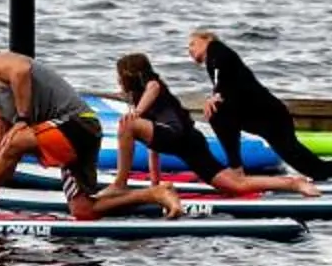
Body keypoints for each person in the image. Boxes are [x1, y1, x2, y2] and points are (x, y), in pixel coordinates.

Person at [0, 37, 182, 223]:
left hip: (78, 123)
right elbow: (1, 157)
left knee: (16, 141)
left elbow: (22, 70)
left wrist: (22, 119)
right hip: (69, 138)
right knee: (83, 210)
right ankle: (156, 193)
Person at [186, 30, 332, 182]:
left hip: (271, 116)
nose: (190, 50)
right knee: (218, 114)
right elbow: (224, 79)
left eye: (192, 44)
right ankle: (237, 169)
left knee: (317, 171)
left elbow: (221, 70)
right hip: (256, 116)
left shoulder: (217, 50)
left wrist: (215, 94)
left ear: (206, 39)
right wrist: (217, 94)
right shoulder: (215, 63)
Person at [112, 52, 320, 197]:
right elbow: (153, 147)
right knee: (235, 186)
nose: (119, 81)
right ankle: (293, 182)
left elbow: (153, 87)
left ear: (130, 75)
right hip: (189, 141)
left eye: (120, 76)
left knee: (127, 124)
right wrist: (154, 185)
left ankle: (119, 185)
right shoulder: (146, 105)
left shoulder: (151, 86)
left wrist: (136, 113)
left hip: (178, 135)